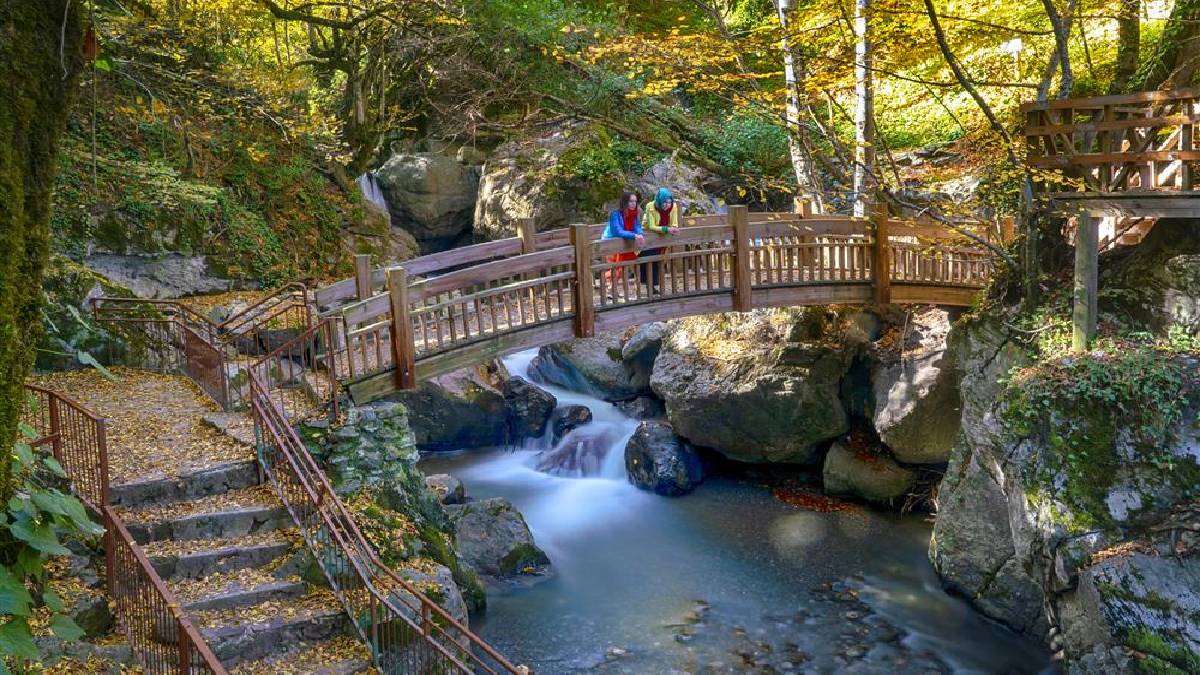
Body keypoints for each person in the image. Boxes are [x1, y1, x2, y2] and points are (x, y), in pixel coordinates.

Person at [601, 192, 644, 292]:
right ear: (625, 202)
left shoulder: (634, 213)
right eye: (631, 201)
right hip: (611, 241)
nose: (633, 204)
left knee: (623, 266)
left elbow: (637, 226)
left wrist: (640, 233)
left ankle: (612, 289)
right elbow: (617, 231)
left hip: (625, 241)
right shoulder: (615, 214)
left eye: (635, 201)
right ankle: (609, 289)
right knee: (615, 267)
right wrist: (634, 235)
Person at [638, 187, 681, 288]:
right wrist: (667, 229)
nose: (667, 205)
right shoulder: (650, 206)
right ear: (660, 201)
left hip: (662, 235)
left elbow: (674, 222)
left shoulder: (673, 207)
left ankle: (654, 285)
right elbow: (652, 226)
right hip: (649, 234)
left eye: (669, 202)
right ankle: (649, 284)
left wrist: (674, 228)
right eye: (664, 202)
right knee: (648, 259)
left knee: (658, 260)